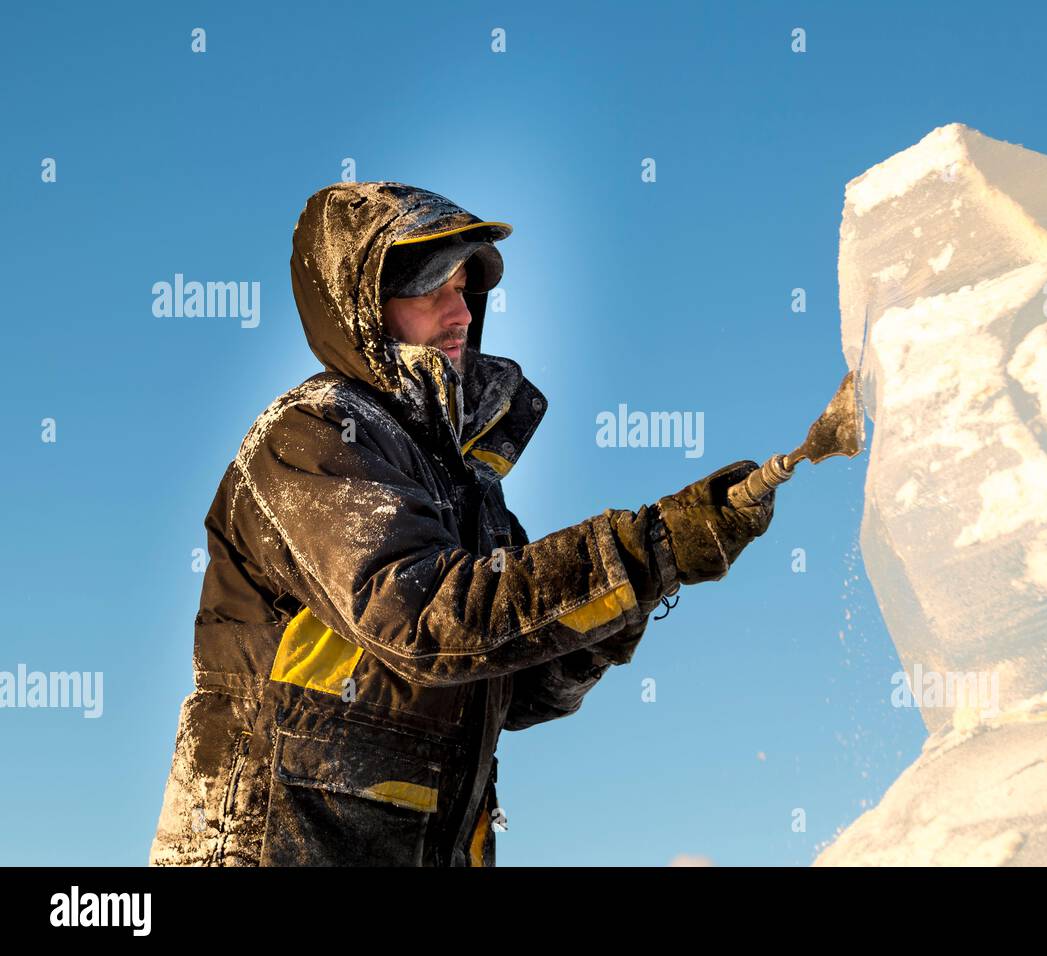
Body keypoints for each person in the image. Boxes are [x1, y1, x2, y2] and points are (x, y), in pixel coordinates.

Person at [147, 181, 776, 867]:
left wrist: (664, 563)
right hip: (278, 844)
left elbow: (520, 680)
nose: (460, 313)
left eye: (465, 287)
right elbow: (425, 621)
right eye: (428, 287)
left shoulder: (459, 485)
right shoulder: (314, 435)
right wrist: (642, 545)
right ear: (359, 304)